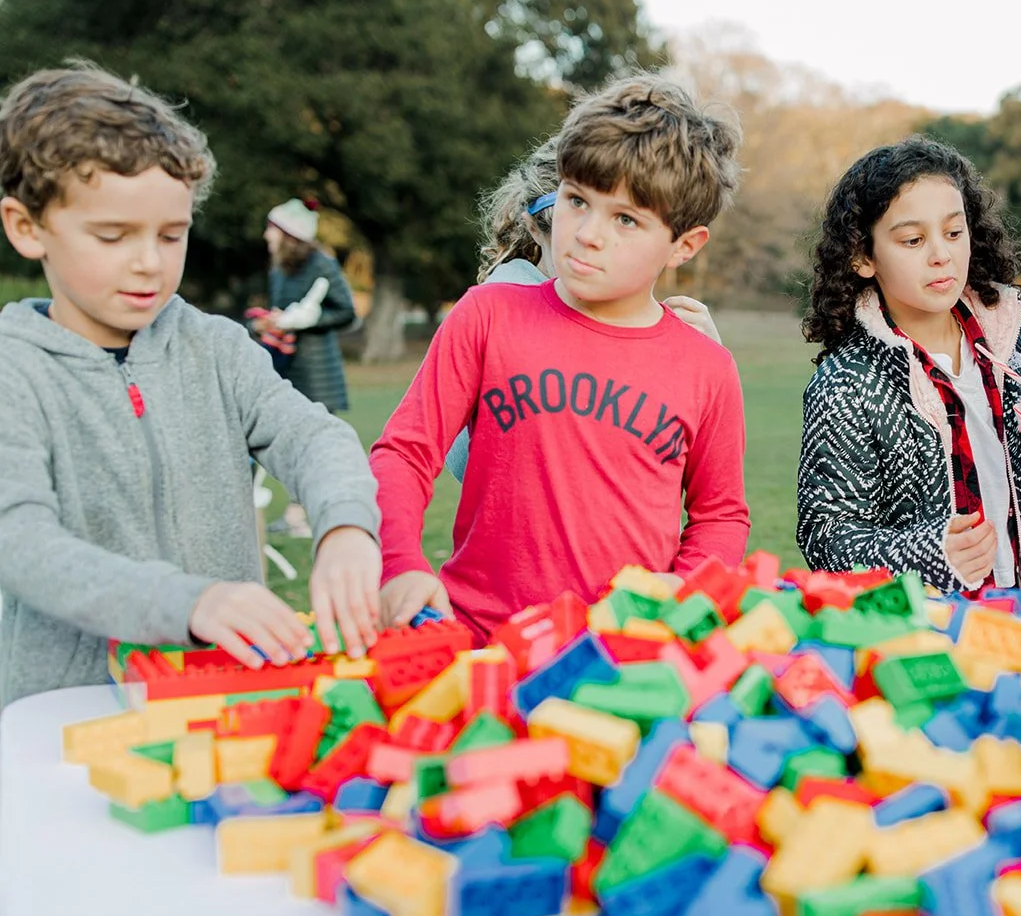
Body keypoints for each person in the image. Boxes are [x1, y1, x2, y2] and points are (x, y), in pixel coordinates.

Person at [0, 65, 381, 704]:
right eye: (113, 236)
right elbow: (23, 544)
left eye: (171, 235)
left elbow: (313, 436)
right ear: (26, 227)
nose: (149, 261)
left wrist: (345, 528)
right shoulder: (15, 371)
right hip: (66, 715)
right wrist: (189, 602)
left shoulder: (217, 347)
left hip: (226, 700)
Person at [369, 75, 749, 644]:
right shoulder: (486, 315)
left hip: (625, 660)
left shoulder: (708, 367)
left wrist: (681, 605)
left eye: (625, 219)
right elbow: (404, 453)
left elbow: (721, 516)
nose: (587, 234)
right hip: (479, 643)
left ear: (684, 245)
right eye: (577, 201)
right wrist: (399, 564)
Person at [796, 137, 1021, 594]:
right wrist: (929, 555)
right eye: (913, 239)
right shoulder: (846, 381)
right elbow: (826, 536)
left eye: (953, 232)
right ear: (862, 257)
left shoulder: (1008, 340)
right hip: (927, 626)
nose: (941, 255)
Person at [443, 138, 722, 484]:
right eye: (577, 207)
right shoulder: (502, 301)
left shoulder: (616, 305)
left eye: (624, 220)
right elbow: (461, 459)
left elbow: (684, 469)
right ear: (538, 227)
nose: (592, 239)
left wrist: (699, 363)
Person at [254, 197, 358, 537]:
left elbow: (347, 312)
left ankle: (318, 517)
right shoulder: (279, 267)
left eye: (272, 228)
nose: (267, 235)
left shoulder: (321, 264)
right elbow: (283, 309)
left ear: (288, 234)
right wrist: (275, 321)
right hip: (285, 363)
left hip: (316, 371)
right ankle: (298, 515)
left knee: (315, 445)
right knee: (290, 442)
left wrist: (310, 320)